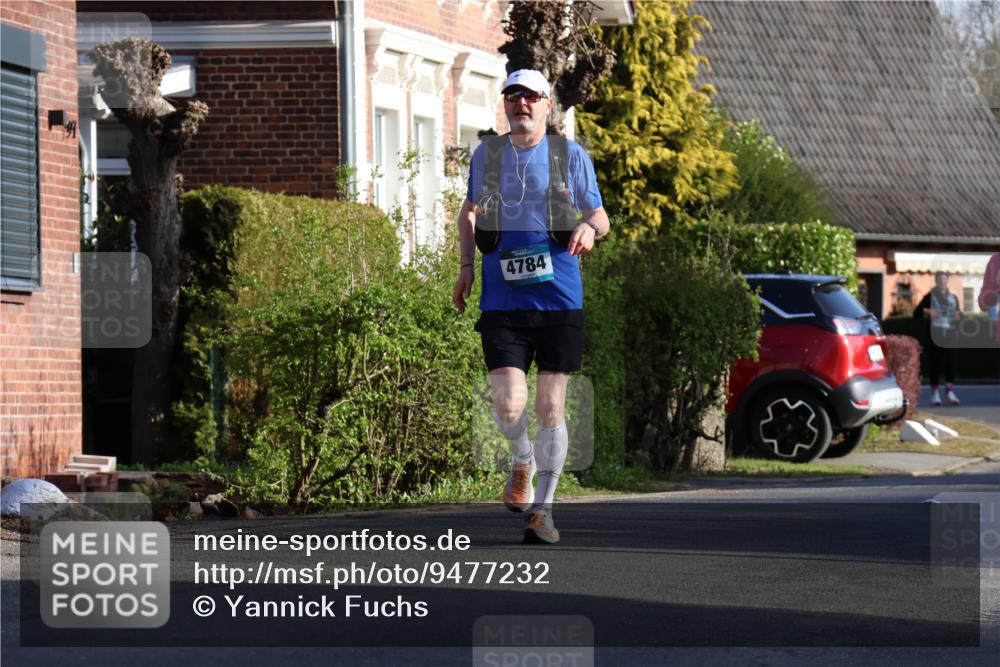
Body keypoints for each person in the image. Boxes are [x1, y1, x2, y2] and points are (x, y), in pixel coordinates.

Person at [451, 69, 609, 544]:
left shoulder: (569, 154)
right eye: (512, 96)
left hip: (559, 298)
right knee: (507, 401)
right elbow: (470, 211)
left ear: (547, 105)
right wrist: (465, 267)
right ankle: (522, 459)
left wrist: (588, 230)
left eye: (530, 97)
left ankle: (544, 510)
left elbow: (599, 214)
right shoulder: (488, 154)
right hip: (503, 299)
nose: (520, 104)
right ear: (505, 105)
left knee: (550, 405)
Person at [914, 272, 962, 405]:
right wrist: (926, 312)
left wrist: (959, 316)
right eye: (940, 279)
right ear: (936, 281)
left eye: (945, 279)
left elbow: (959, 313)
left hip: (950, 334)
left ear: (947, 281)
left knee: (951, 362)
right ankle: (934, 393)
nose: (942, 281)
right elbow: (916, 313)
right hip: (934, 335)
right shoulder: (929, 296)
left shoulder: (953, 297)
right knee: (935, 363)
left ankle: (949, 391)